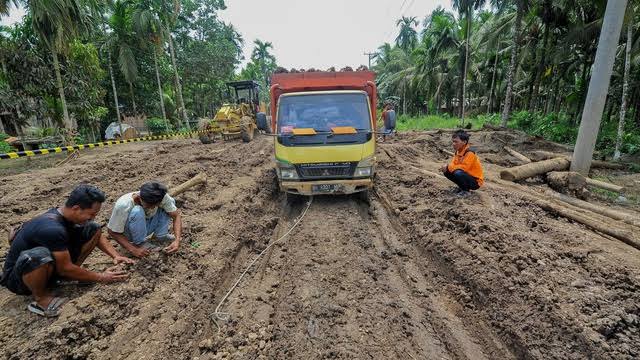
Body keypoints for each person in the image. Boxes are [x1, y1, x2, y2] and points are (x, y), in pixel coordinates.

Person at [0, 185, 133, 317]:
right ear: (76, 208)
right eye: (91, 214)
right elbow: (65, 268)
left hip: (48, 267)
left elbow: (97, 235)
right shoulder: (52, 228)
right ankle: (40, 299)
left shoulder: (67, 217)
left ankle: (68, 276)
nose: (92, 217)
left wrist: (116, 255)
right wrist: (101, 277)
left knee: (93, 228)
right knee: (38, 256)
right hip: (18, 279)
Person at [107, 182, 182, 258]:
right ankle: (140, 243)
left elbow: (176, 216)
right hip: (129, 232)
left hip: (146, 224)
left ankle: (160, 236)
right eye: (150, 205)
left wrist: (177, 240)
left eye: (155, 205)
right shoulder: (124, 205)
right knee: (137, 211)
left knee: (170, 203)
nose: (153, 207)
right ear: (140, 198)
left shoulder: (161, 197)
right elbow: (112, 231)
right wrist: (133, 249)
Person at [441, 130, 484, 196]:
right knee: (446, 171)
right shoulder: (458, 152)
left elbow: (464, 168)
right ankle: (461, 188)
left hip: (476, 181)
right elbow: (453, 163)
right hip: (466, 176)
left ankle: (465, 191)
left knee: (458, 173)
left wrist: (449, 167)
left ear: (464, 142)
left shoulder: (469, 153)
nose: (453, 144)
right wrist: (447, 167)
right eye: (453, 141)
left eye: (456, 142)